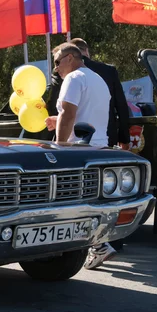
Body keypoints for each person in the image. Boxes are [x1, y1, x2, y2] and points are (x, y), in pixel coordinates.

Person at [44, 43, 117, 270]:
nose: (55, 69)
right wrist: (58, 121)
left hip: (77, 151)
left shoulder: (74, 78)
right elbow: (87, 114)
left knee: (70, 203)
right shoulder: (98, 80)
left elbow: (68, 113)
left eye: (56, 62)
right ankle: (100, 245)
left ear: (69, 58)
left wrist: (59, 147)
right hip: (98, 148)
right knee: (91, 201)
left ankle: (98, 246)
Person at [71, 38, 130, 150]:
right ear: (87, 51)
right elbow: (121, 106)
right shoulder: (109, 71)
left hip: (76, 136)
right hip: (107, 135)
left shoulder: (67, 71)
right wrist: (124, 138)